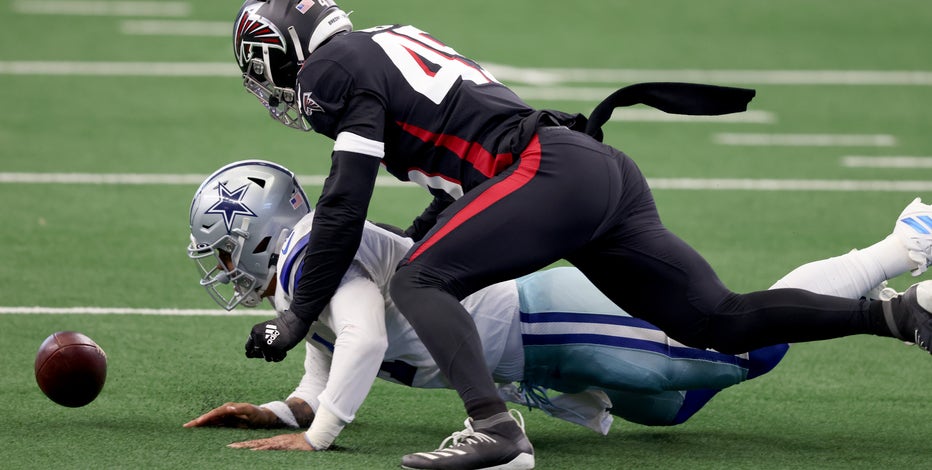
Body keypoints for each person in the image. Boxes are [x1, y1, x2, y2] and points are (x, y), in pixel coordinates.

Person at [229, 2, 932, 468]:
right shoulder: (384, 41)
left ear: (282, 50)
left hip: (546, 172)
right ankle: (900, 315)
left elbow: (346, 201)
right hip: (588, 169)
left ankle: (495, 432)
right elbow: (458, 185)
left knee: (420, 279)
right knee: (719, 321)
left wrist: (294, 318)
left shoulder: (332, 70)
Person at [187, 160, 918, 455]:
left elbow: (364, 336)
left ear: (257, 236)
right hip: (536, 354)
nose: (224, 269)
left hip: (546, 320)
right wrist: (285, 411)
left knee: (741, 345)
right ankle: (882, 269)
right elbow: (327, 356)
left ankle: (899, 252)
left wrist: (320, 439)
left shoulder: (312, 257)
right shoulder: (304, 272)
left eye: (224, 250)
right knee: (678, 408)